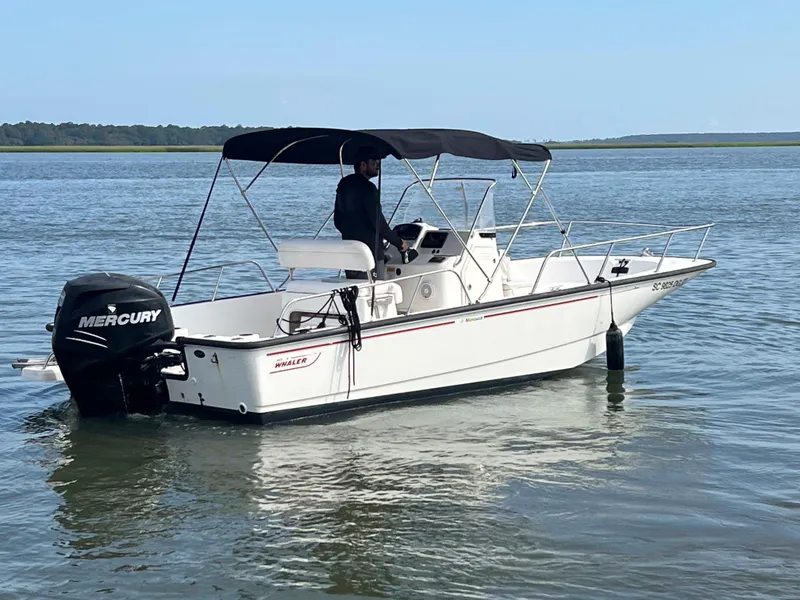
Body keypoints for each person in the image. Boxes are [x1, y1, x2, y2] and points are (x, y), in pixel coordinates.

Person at [333, 146, 407, 279]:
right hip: (370, 253)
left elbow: (337, 220)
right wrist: (399, 243)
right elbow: (379, 224)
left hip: (350, 250)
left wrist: (350, 233)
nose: (378, 167)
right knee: (373, 288)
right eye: (374, 163)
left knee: (355, 287)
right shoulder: (369, 189)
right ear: (363, 165)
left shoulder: (344, 184)